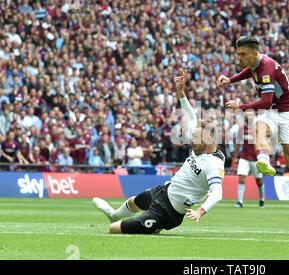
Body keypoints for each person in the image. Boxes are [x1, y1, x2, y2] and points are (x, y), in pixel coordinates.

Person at [92, 69, 225, 234]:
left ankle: (151, 225)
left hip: (168, 212)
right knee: (135, 202)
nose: (191, 140)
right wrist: (180, 92)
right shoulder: (200, 142)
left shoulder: (214, 163)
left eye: (195, 138)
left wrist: (201, 210)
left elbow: (217, 193)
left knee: (114, 230)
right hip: (163, 191)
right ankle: (114, 215)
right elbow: (190, 116)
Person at [217, 36, 289, 224]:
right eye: (238, 54)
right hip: (273, 111)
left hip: (288, 111)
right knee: (257, 127)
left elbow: (265, 102)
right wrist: (231, 81)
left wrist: (240, 107)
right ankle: (264, 161)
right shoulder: (256, 63)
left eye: (243, 54)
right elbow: (249, 72)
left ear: (255, 53)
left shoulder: (266, 67)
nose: (239, 58)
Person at [233, 110, 265, 208]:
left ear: (254, 116)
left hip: (255, 158)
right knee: (242, 177)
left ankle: (261, 199)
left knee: (258, 180)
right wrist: (235, 157)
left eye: (251, 115)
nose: (249, 116)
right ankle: (240, 202)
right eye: (247, 115)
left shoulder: (258, 129)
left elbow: (261, 144)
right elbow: (238, 144)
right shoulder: (241, 129)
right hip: (244, 157)